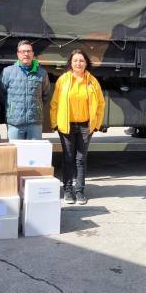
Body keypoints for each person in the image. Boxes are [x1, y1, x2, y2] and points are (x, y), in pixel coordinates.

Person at [50, 49, 105, 205]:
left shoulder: (93, 81)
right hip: (66, 126)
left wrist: (96, 124)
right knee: (67, 159)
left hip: (85, 127)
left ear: (86, 63)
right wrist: (55, 122)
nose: (78, 63)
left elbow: (101, 104)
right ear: (71, 63)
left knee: (81, 160)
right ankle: (68, 191)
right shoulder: (63, 80)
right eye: (75, 60)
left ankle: (80, 191)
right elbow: (54, 103)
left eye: (81, 60)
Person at [0, 40, 52, 140]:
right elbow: (1, 94)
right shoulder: (8, 72)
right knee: (15, 154)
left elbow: (46, 94)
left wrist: (36, 108)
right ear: (18, 54)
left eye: (28, 51)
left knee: (33, 154)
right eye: (23, 51)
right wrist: (12, 109)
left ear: (33, 53)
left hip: (34, 123)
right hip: (15, 123)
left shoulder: (42, 73)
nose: (26, 54)